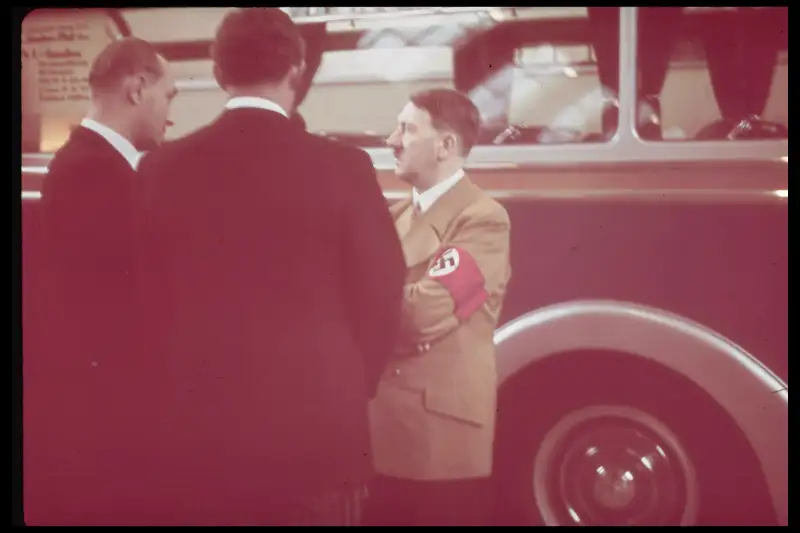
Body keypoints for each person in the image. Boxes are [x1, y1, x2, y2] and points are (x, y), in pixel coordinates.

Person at [135, 8, 406, 526]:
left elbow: (149, 306)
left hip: (199, 440)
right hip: (318, 438)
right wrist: (349, 382)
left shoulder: (161, 170)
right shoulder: (345, 168)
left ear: (218, 75)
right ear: (297, 71)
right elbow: (381, 293)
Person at [26, 38, 177, 525]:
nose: (171, 113)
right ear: (137, 89)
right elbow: (123, 301)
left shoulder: (94, 164)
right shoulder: (93, 172)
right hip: (108, 415)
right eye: (169, 95)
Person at [365, 88, 513, 526]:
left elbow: (420, 316)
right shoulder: (394, 216)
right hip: (383, 435)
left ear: (446, 145)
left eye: (407, 129)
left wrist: (365, 299)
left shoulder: (483, 219)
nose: (392, 140)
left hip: (438, 443)